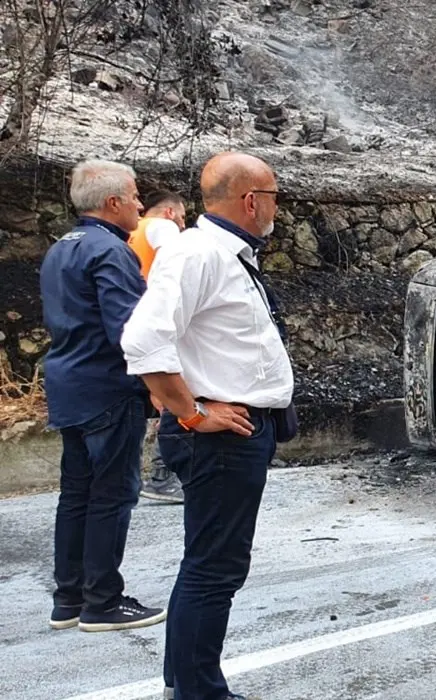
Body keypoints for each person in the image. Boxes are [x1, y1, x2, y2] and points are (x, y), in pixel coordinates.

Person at [122, 152, 294, 700]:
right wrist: (192, 412)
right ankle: (197, 693)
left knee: (214, 566)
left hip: (238, 433)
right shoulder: (197, 254)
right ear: (251, 200)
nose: (276, 209)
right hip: (219, 438)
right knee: (213, 571)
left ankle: (190, 686)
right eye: (272, 197)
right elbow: (144, 342)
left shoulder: (226, 254)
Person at [39, 159, 167, 633]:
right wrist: (159, 384)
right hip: (107, 389)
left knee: (76, 493)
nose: (140, 203)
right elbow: (127, 330)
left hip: (68, 384)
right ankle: (103, 602)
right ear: (113, 203)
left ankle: (68, 598)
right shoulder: (111, 251)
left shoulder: (60, 248)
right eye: (134, 195)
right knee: (113, 494)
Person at [126, 190, 190, 504]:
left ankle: (132, 476)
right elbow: (179, 265)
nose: (182, 222)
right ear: (168, 212)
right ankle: (163, 477)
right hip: (159, 325)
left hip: (128, 324)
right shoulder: (160, 226)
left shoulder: (126, 234)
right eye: (182, 215)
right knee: (172, 399)